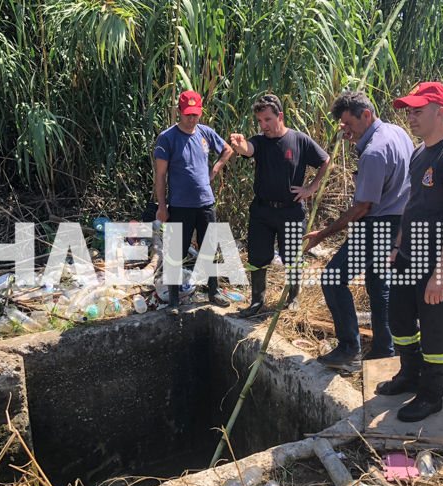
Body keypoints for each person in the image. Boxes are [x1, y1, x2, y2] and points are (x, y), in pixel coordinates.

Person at [376, 82, 443, 422]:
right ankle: (410, 373)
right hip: (410, 254)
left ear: (441, 111)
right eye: (409, 111)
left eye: (418, 111)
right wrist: (397, 245)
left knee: (434, 326)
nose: (411, 117)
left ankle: (432, 394)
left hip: (438, 261)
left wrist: (440, 275)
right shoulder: (421, 152)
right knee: (400, 318)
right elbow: (412, 203)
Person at [303, 91, 413, 372]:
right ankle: (384, 351)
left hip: (377, 224)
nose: (346, 130)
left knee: (332, 278)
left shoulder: (374, 151)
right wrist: (354, 140)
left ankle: (350, 348)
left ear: (366, 114)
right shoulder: (396, 132)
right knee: (379, 286)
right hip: (398, 221)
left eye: (349, 124)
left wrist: (322, 234)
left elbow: (362, 207)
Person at [230, 94, 331, 317]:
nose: (263, 125)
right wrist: (240, 145)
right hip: (262, 211)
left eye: (267, 120)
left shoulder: (299, 140)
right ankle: (257, 302)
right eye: (259, 121)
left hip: (291, 211)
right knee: (257, 257)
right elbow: (249, 149)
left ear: (280, 116)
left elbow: (325, 160)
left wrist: (311, 188)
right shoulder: (259, 141)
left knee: (293, 256)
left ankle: (293, 298)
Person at [154, 90, 234, 314]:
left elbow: (227, 149)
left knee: (210, 248)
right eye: (187, 114)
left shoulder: (206, 133)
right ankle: (173, 299)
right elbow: (160, 175)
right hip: (179, 205)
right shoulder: (167, 138)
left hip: (205, 203)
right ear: (179, 112)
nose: (192, 119)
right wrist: (162, 206)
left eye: (195, 114)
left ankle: (213, 291)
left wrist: (215, 169)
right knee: (175, 252)